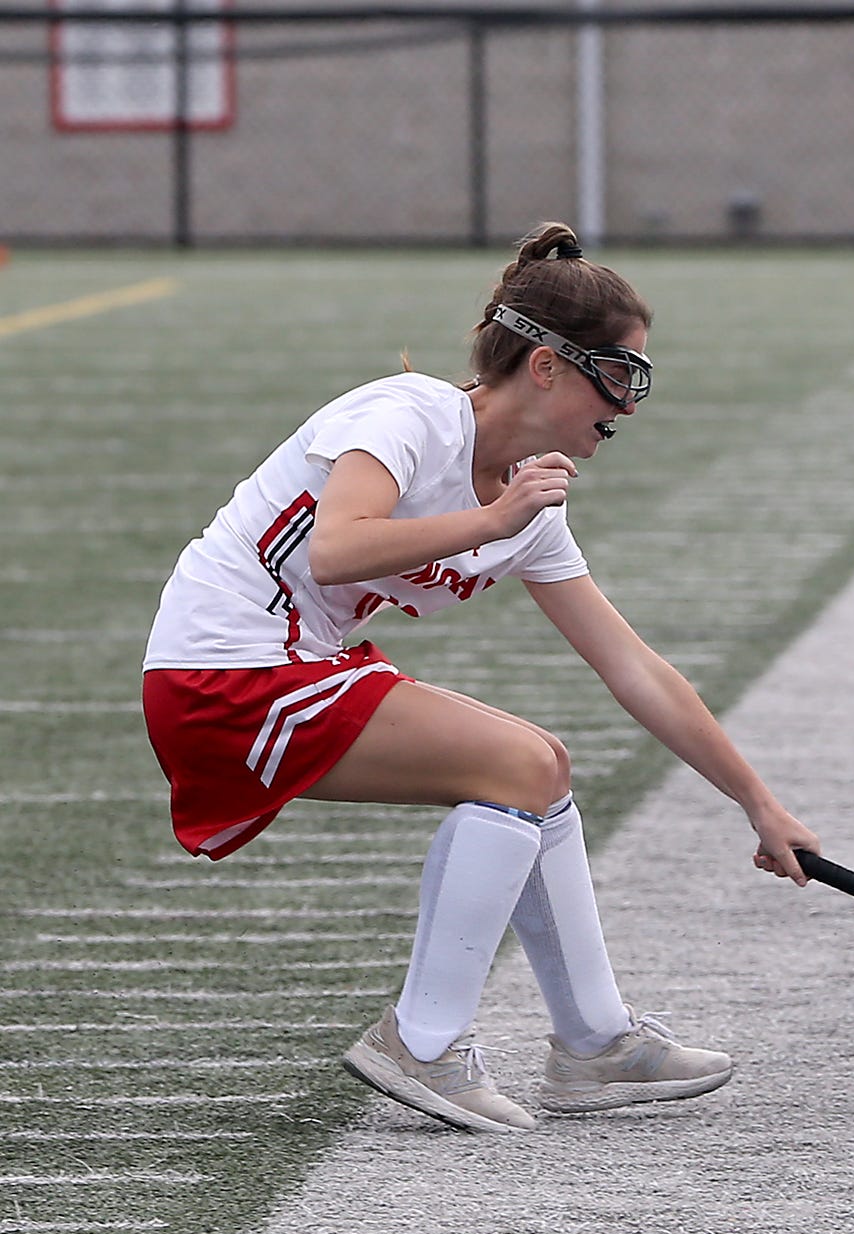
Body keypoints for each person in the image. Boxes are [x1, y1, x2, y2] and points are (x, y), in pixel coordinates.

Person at [141, 222, 819, 1134]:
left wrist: (758, 802)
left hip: (298, 666)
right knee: (519, 766)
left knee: (543, 760)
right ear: (544, 367)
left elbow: (635, 668)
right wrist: (492, 521)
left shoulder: (526, 502)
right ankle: (420, 1042)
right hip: (221, 670)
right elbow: (340, 547)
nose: (627, 402)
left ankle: (594, 1042)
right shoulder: (409, 414)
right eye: (618, 374)